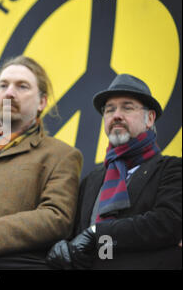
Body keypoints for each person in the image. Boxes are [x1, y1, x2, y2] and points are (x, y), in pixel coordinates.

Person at [0, 55, 83, 270]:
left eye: (22, 86)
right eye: (3, 85)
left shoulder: (62, 155)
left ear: (42, 102)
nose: (9, 93)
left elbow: (57, 217)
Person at [46, 74, 182, 270]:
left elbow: (167, 223)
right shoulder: (92, 180)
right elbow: (75, 234)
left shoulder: (171, 169)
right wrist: (62, 247)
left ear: (150, 118)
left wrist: (97, 233)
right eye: (109, 110)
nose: (116, 115)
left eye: (127, 107)